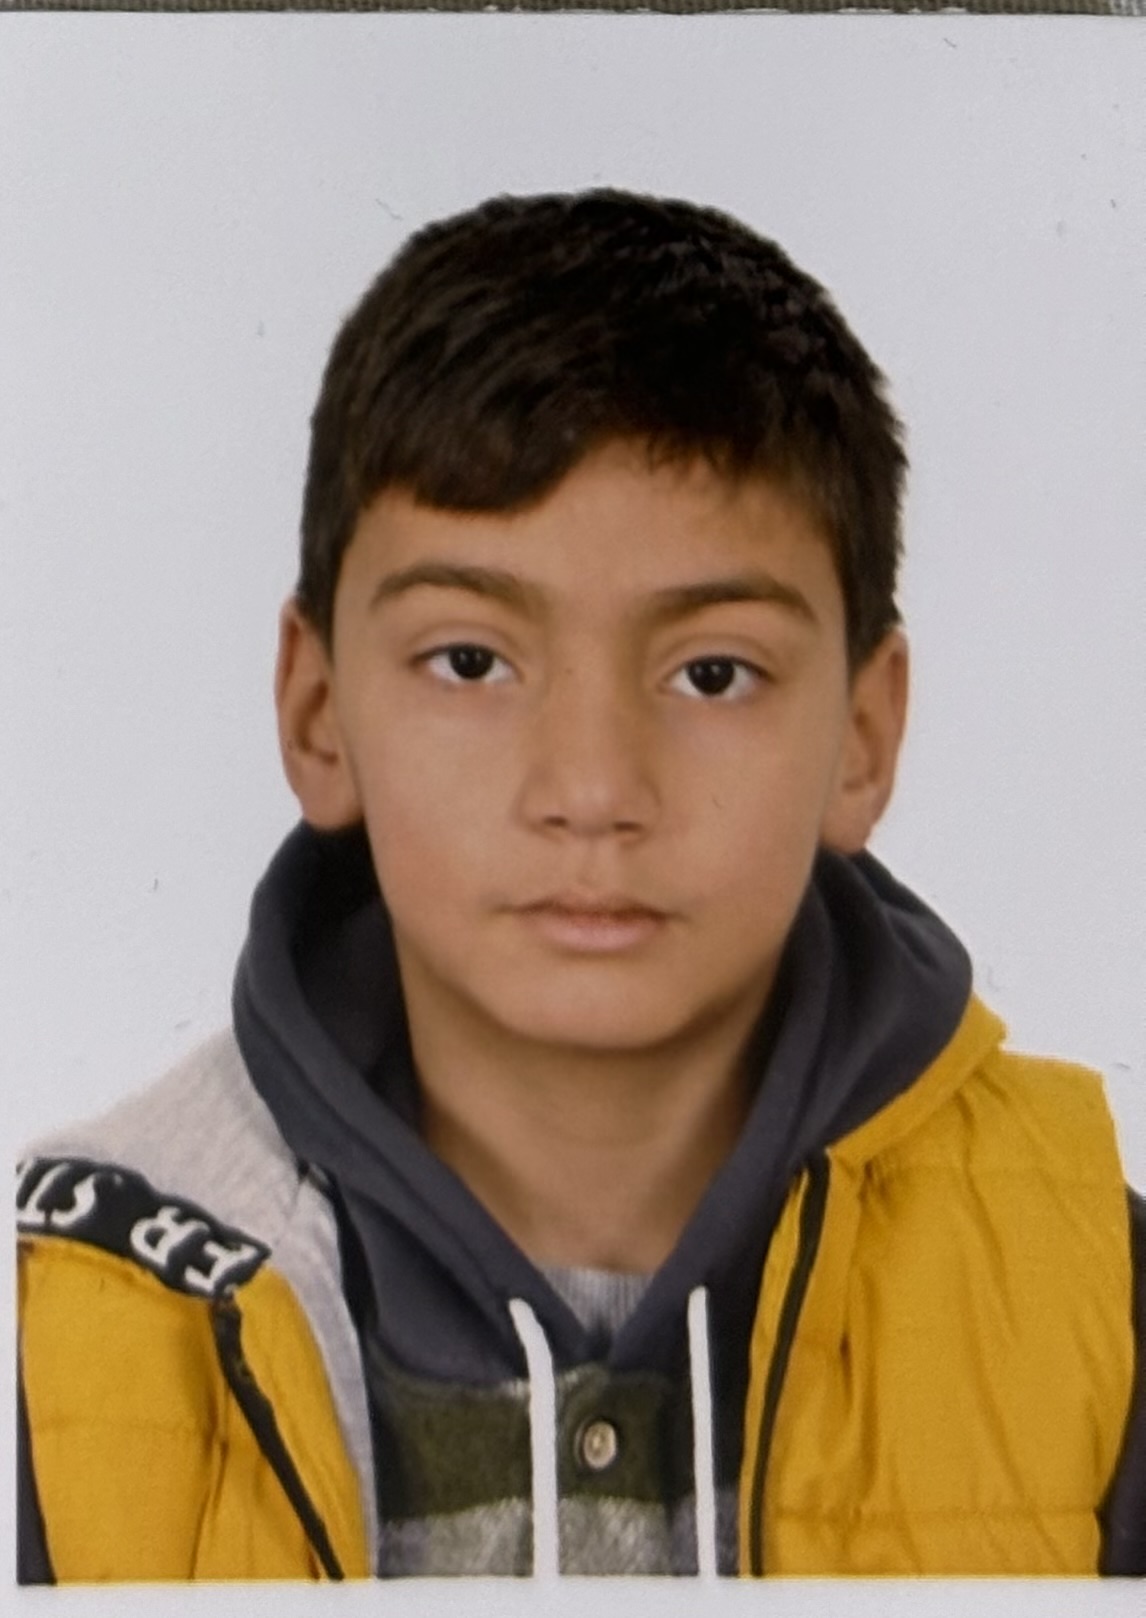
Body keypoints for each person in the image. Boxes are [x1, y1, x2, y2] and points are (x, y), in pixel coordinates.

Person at [16, 189, 1145, 1582]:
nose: (594, 787)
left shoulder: (1088, 1289)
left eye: (712, 673)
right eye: (472, 662)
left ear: (863, 734)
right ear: (317, 714)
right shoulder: (73, 1328)